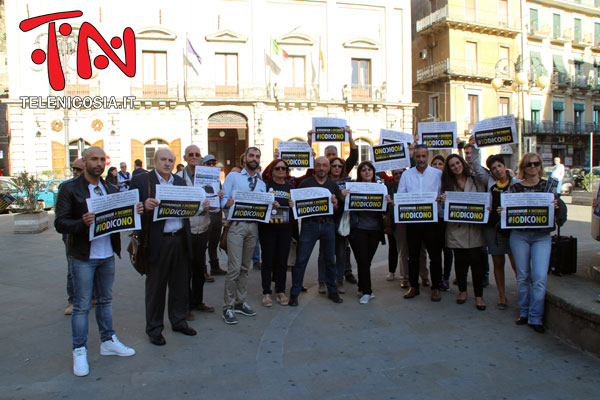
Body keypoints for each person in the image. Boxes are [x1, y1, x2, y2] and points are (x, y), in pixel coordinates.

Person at [55, 146, 140, 376]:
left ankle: (108, 341)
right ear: (85, 161)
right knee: (82, 306)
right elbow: (60, 223)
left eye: (102, 159)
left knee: (105, 301)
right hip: (83, 256)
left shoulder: (109, 188)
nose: (99, 163)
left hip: (106, 255)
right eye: (94, 159)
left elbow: (119, 217)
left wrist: (135, 210)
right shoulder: (69, 188)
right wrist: (81, 222)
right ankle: (79, 350)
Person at [130, 149, 197, 346]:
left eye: (170, 160)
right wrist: (143, 205)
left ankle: (178, 321)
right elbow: (130, 208)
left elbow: (187, 206)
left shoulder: (179, 181)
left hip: (180, 239)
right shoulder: (143, 180)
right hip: (157, 240)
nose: (167, 163)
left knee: (180, 284)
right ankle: (154, 329)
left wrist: (201, 204)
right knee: (156, 287)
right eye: (163, 159)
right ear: (155, 161)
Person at [504, 152, 561, 334]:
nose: (533, 167)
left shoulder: (548, 187)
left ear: (540, 166)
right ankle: (525, 312)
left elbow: (559, 212)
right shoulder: (515, 188)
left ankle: (536, 317)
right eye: (529, 165)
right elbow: (507, 211)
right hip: (520, 235)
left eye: (536, 164)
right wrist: (501, 210)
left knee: (539, 277)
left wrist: (557, 207)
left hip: (541, 236)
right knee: (522, 276)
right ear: (523, 168)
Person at [221, 147, 278, 324]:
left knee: (246, 267)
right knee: (234, 268)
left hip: (253, 227)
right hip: (236, 226)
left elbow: (263, 206)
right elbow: (222, 201)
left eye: (257, 156)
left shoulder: (261, 183)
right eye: (251, 156)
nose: (254, 159)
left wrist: (272, 205)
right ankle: (228, 306)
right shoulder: (233, 177)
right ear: (244, 158)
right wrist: (227, 202)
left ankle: (240, 301)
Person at [289, 156, 344, 306]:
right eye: (318, 165)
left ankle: (332, 291)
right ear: (314, 166)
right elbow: (298, 205)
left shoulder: (332, 185)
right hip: (309, 225)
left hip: (328, 225)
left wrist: (336, 203)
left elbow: (338, 209)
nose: (321, 168)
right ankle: (294, 293)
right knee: (301, 260)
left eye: (324, 165)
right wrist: (294, 204)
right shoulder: (305, 183)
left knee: (329, 261)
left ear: (328, 168)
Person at [470, 141, 518, 310]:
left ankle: (522, 294)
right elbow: (475, 165)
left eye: (499, 166)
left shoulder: (516, 184)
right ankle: (502, 296)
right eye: (493, 168)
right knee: (498, 263)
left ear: (505, 166)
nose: (497, 170)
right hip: (492, 228)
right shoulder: (489, 182)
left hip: (511, 229)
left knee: (516, 263)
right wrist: (474, 145)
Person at [397, 144, 443, 302]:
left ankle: (435, 287)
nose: (421, 159)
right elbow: (401, 195)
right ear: (414, 157)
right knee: (413, 255)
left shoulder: (438, 174)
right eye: (418, 156)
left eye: (424, 156)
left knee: (435, 255)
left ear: (428, 156)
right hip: (413, 220)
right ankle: (414, 286)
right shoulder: (407, 175)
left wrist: (441, 198)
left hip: (432, 221)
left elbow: (444, 194)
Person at [440, 154, 487, 310]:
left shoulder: (475, 180)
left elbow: (483, 197)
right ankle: (462, 291)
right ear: (449, 169)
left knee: (476, 262)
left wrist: (474, 150)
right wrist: (443, 200)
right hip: (456, 228)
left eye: (458, 163)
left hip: (473, 227)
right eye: (452, 165)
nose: (456, 167)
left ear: (463, 163)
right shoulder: (447, 184)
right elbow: (443, 208)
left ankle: (479, 296)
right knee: (460, 262)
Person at [344, 161, 392, 304]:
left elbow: (384, 211)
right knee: (363, 260)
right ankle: (367, 291)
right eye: (363, 170)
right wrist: (344, 195)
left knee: (366, 261)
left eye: (369, 169)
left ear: (373, 172)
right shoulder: (353, 188)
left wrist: (388, 202)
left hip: (375, 230)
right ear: (359, 173)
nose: (366, 172)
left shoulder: (381, 188)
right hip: (358, 230)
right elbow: (348, 207)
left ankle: (361, 286)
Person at [177, 145, 215, 317]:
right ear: (185, 158)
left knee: (200, 268)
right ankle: (184, 306)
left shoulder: (209, 176)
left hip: (203, 227)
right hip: (186, 230)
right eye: (190, 154)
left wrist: (216, 198)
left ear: (200, 158)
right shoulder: (177, 178)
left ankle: (197, 302)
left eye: (197, 155)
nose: (194, 157)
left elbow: (214, 201)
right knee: (185, 271)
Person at [259, 158, 294, 306]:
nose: (281, 170)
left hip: (285, 229)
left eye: (284, 168)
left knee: (282, 260)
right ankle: (266, 292)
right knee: (267, 260)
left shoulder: (290, 187)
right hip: (268, 229)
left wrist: (294, 205)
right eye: (278, 168)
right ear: (272, 171)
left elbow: (298, 209)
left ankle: (280, 290)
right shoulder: (265, 185)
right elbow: (259, 202)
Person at [315, 157, 350, 294]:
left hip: (342, 221)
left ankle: (339, 280)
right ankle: (322, 281)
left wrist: (343, 197)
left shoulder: (349, 183)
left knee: (341, 252)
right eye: (334, 165)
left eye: (339, 166)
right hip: (326, 220)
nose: (337, 168)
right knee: (324, 253)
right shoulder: (323, 181)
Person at [62, 158, 85, 316]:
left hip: (92, 234)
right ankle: (72, 300)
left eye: (78, 169)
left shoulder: (98, 187)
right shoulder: (67, 187)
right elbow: (61, 219)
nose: (75, 172)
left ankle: (93, 296)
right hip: (72, 234)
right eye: (74, 169)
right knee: (73, 268)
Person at [430, 155, 453, 291]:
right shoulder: (429, 180)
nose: (438, 166)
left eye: (440, 164)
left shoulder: (448, 181)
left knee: (448, 250)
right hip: (434, 219)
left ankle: (446, 278)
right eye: (435, 164)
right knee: (435, 251)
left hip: (446, 219)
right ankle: (437, 278)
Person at [202, 154, 227, 282]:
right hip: (205, 214)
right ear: (203, 165)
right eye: (208, 163)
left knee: (214, 242)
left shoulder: (217, 179)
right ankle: (203, 270)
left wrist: (221, 195)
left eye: (213, 163)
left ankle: (215, 266)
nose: (211, 166)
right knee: (203, 244)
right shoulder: (199, 178)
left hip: (216, 213)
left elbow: (221, 195)